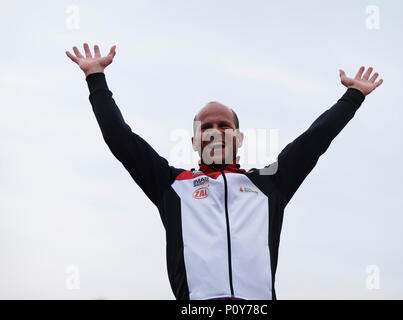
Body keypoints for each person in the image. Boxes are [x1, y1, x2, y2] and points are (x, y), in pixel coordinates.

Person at [66, 43, 383, 300]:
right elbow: (121, 139)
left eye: (224, 126)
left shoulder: (268, 184)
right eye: (206, 128)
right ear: (194, 141)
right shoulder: (172, 185)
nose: (215, 132)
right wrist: (96, 78)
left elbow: (314, 140)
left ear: (239, 138)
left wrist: (353, 96)